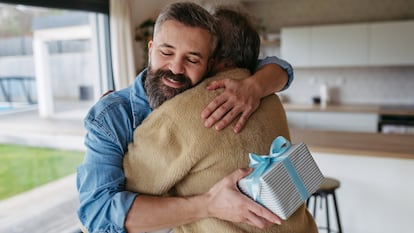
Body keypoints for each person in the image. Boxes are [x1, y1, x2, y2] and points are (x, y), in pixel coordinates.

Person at [76, 2, 294, 233]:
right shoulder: (111, 116)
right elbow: (97, 215)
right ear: (151, 49)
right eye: (166, 52)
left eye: (192, 59)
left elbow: (275, 65)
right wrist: (209, 205)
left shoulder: (213, 91)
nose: (176, 68)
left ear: (211, 65)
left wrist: (254, 86)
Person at [123, 5, 317, 233]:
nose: (177, 67)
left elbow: (126, 198)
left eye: (195, 55)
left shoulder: (181, 114)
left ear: (212, 58)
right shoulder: (270, 98)